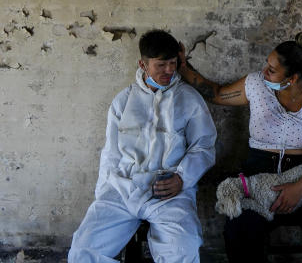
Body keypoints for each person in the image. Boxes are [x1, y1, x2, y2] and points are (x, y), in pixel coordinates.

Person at [178, 32, 302, 263]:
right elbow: (218, 94)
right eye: (267, 65)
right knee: (239, 229)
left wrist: (298, 188)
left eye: (272, 69)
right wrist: (182, 67)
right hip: (259, 176)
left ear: (292, 78)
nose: (264, 71)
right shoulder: (256, 84)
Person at [68, 30, 217, 263]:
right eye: (161, 65)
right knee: (83, 250)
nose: (169, 71)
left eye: (172, 63)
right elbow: (111, 154)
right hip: (124, 188)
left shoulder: (189, 99)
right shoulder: (123, 101)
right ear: (143, 64)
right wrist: (103, 196)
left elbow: (204, 146)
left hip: (170, 193)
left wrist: (182, 178)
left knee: (183, 249)